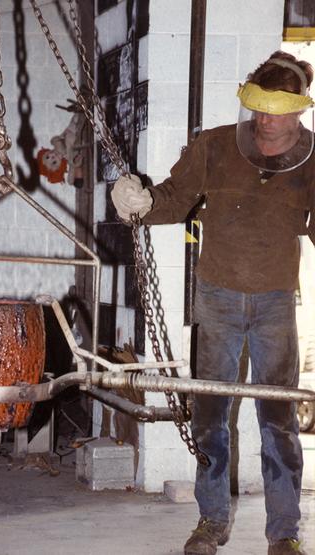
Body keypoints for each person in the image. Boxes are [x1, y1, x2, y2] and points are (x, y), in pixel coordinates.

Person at [111, 50, 315, 555]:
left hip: (274, 303)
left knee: (279, 421)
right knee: (210, 417)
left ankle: (283, 534)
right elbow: (174, 197)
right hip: (217, 298)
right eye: (259, 108)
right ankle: (210, 523)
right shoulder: (216, 146)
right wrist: (141, 203)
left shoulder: (313, 160)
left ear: (299, 110)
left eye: (277, 109)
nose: (266, 120)